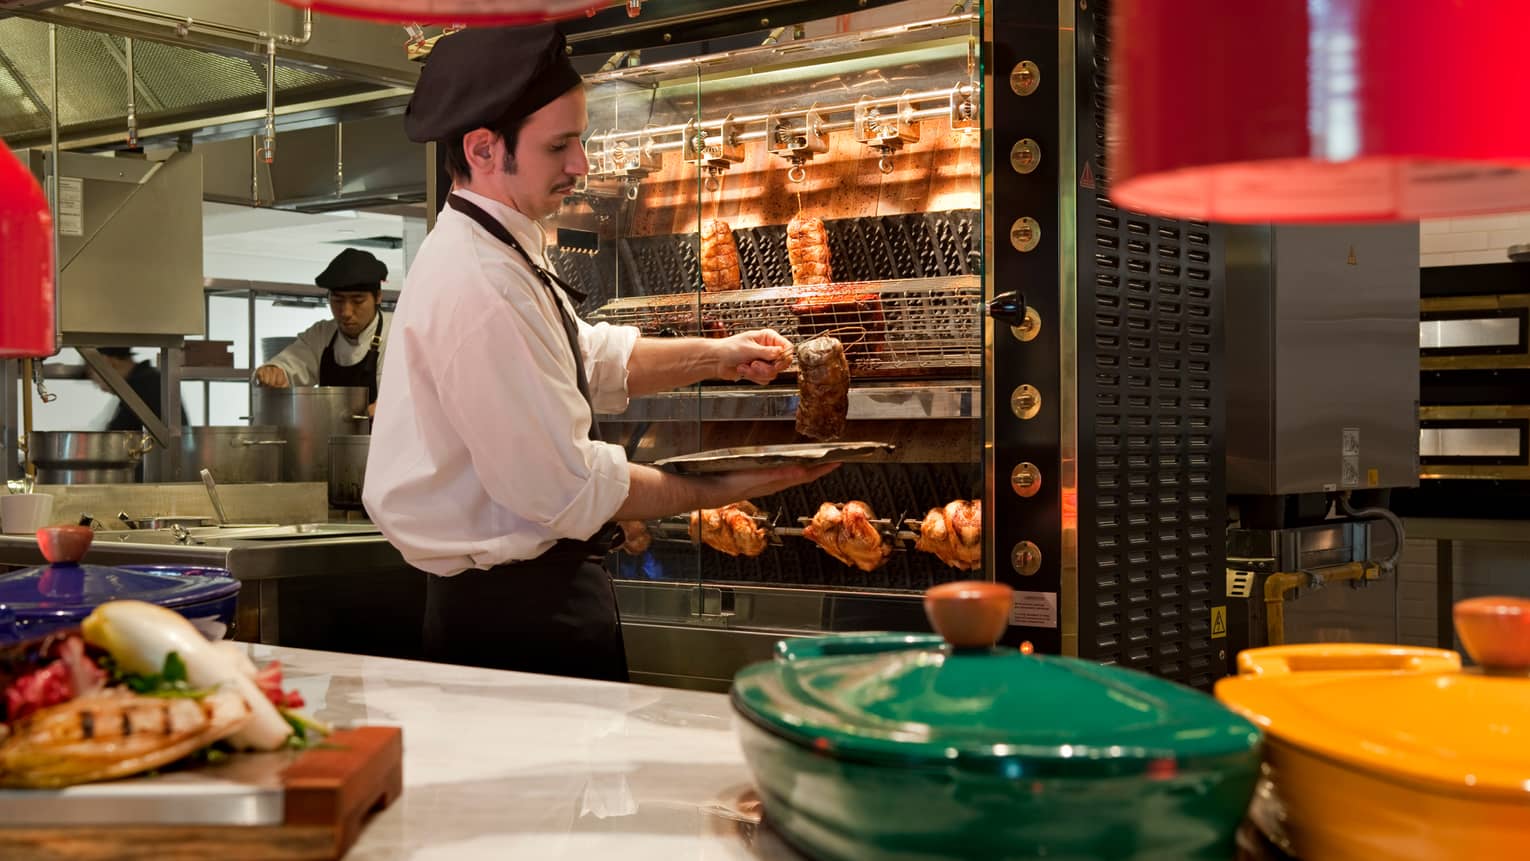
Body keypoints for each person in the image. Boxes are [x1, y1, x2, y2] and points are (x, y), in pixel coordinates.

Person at [364, 24, 836, 683]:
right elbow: (567, 488)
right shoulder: (482, 284)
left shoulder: (498, 250)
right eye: (560, 145)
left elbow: (583, 358)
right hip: (517, 623)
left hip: (528, 604)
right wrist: (722, 486)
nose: (581, 165)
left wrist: (716, 356)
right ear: (482, 149)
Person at [253, 248, 391, 416]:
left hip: (388, 439)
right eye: (338, 300)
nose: (346, 312)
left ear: (378, 297)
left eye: (357, 301)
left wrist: (387, 409)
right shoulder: (322, 334)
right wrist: (274, 371)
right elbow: (291, 365)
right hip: (332, 439)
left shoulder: (395, 333)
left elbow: (407, 395)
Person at [92, 347, 185, 431]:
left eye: (92, 372)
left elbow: (119, 433)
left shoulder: (142, 385)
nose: (96, 384)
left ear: (108, 362)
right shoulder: (147, 380)